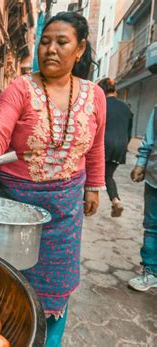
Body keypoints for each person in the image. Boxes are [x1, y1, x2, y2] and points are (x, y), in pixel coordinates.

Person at [0, 12, 106, 346]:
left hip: (65, 212)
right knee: (5, 282)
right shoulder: (21, 88)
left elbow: (95, 147)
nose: (51, 49)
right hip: (13, 210)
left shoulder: (95, 96)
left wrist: (94, 186)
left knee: (55, 289)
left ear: (80, 49)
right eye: (45, 41)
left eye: (61, 42)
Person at [129, 105, 157, 291]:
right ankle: (151, 271)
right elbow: (149, 139)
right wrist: (140, 163)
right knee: (152, 226)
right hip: (155, 178)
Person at [97, 77, 133, 217]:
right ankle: (116, 201)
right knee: (108, 176)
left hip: (103, 144)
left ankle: (84, 202)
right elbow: (128, 133)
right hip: (120, 147)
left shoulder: (101, 104)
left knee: (90, 172)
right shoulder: (126, 108)